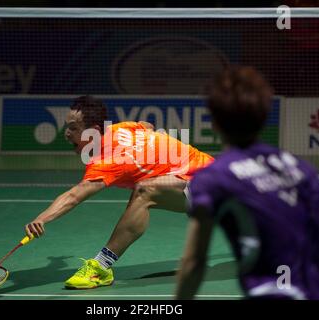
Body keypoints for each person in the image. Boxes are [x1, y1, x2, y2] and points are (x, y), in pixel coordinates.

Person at [175, 66, 319, 300]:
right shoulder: (301, 169)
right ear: (264, 117)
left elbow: (194, 263)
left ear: (214, 123)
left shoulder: (213, 179)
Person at [24, 95, 214, 289]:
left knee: (145, 191)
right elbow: (146, 125)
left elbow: (74, 196)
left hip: (208, 183)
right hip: (201, 176)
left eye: (73, 128)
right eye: (67, 127)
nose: (67, 133)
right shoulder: (119, 128)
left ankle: (101, 267)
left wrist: (42, 218)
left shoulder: (107, 161)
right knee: (145, 189)